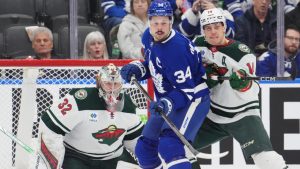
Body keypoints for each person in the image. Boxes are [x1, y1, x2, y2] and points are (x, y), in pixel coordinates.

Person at [192, 8, 288, 169]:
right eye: (208, 28)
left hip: (242, 114)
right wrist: (201, 76)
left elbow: (251, 86)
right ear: (203, 30)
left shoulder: (242, 53)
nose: (213, 32)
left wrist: (242, 83)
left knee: (266, 158)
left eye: (217, 27)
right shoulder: (198, 44)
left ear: (224, 27)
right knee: (178, 143)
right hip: (213, 114)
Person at [120, 0, 210, 168]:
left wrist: (167, 103)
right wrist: (137, 69)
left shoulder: (177, 49)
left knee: (169, 146)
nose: (159, 27)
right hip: (168, 101)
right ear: (149, 21)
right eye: (155, 23)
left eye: (164, 23)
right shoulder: (148, 36)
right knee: (144, 149)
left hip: (193, 98)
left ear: (171, 22)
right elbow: (155, 66)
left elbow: (186, 90)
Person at [38, 63, 143, 169]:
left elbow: (135, 139)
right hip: (77, 157)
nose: (112, 89)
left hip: (113, 157)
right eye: (107, 83)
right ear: (99, 83)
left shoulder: (128, 105)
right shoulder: (80, 99)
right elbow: (49, 126)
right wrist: (53, 162)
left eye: (115, 84)